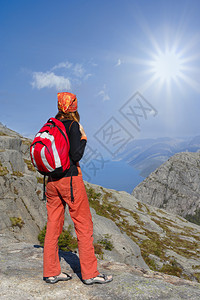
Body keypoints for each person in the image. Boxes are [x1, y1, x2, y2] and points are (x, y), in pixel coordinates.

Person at [43, 92, 113, 285]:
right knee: (83, 225)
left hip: (51, 181)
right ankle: (90, 274)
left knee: (53, 226)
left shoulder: (51, 126)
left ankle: (50, 272)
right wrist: (83, 138)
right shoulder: (73, 126)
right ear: (74, 107)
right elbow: (75, 156)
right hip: (70, 181)